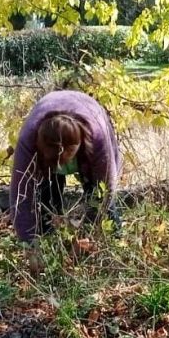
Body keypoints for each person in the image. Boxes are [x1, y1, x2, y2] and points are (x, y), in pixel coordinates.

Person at [9, 90, 123, 263]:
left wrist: (89, 234)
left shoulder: (97, 136)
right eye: (54, 157)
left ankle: (112, 252)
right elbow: (20, 196)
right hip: (43, 150)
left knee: (99, 197)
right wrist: (30, 245)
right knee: (45, 199)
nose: (60, 163)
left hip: (91, 125)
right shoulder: (29, 139)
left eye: (66, 155)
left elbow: (107, 190)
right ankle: (51, 249)